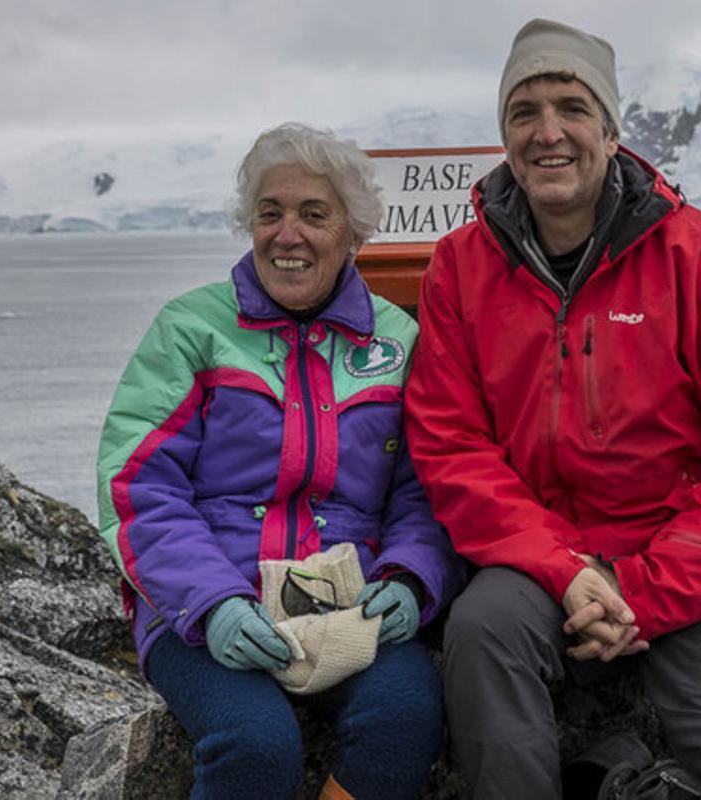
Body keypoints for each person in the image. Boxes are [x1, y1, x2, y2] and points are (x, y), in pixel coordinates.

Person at [404, 17, 701, 800]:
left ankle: (618, 782)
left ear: (610, 127)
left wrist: (647, 591)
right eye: (524, 112)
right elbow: (450, 445)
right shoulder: (459, 269)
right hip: (536, 565)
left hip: (690, 563)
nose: (548, 133)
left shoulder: (697, 253)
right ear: (503, 134)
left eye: (570, 106)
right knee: (482, 629)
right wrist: (565, 572)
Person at [96, 123, 465, 800]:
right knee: (255, 743)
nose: (286, 234)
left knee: (406, 715)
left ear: (354, 234)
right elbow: (138, 485)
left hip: (347, 611)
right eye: (270, 213)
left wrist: (412, 578)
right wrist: (213, 605)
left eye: (313, 215)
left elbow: (429, 488)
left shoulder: (401, 341)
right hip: (202, 611)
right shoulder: (191, 329)